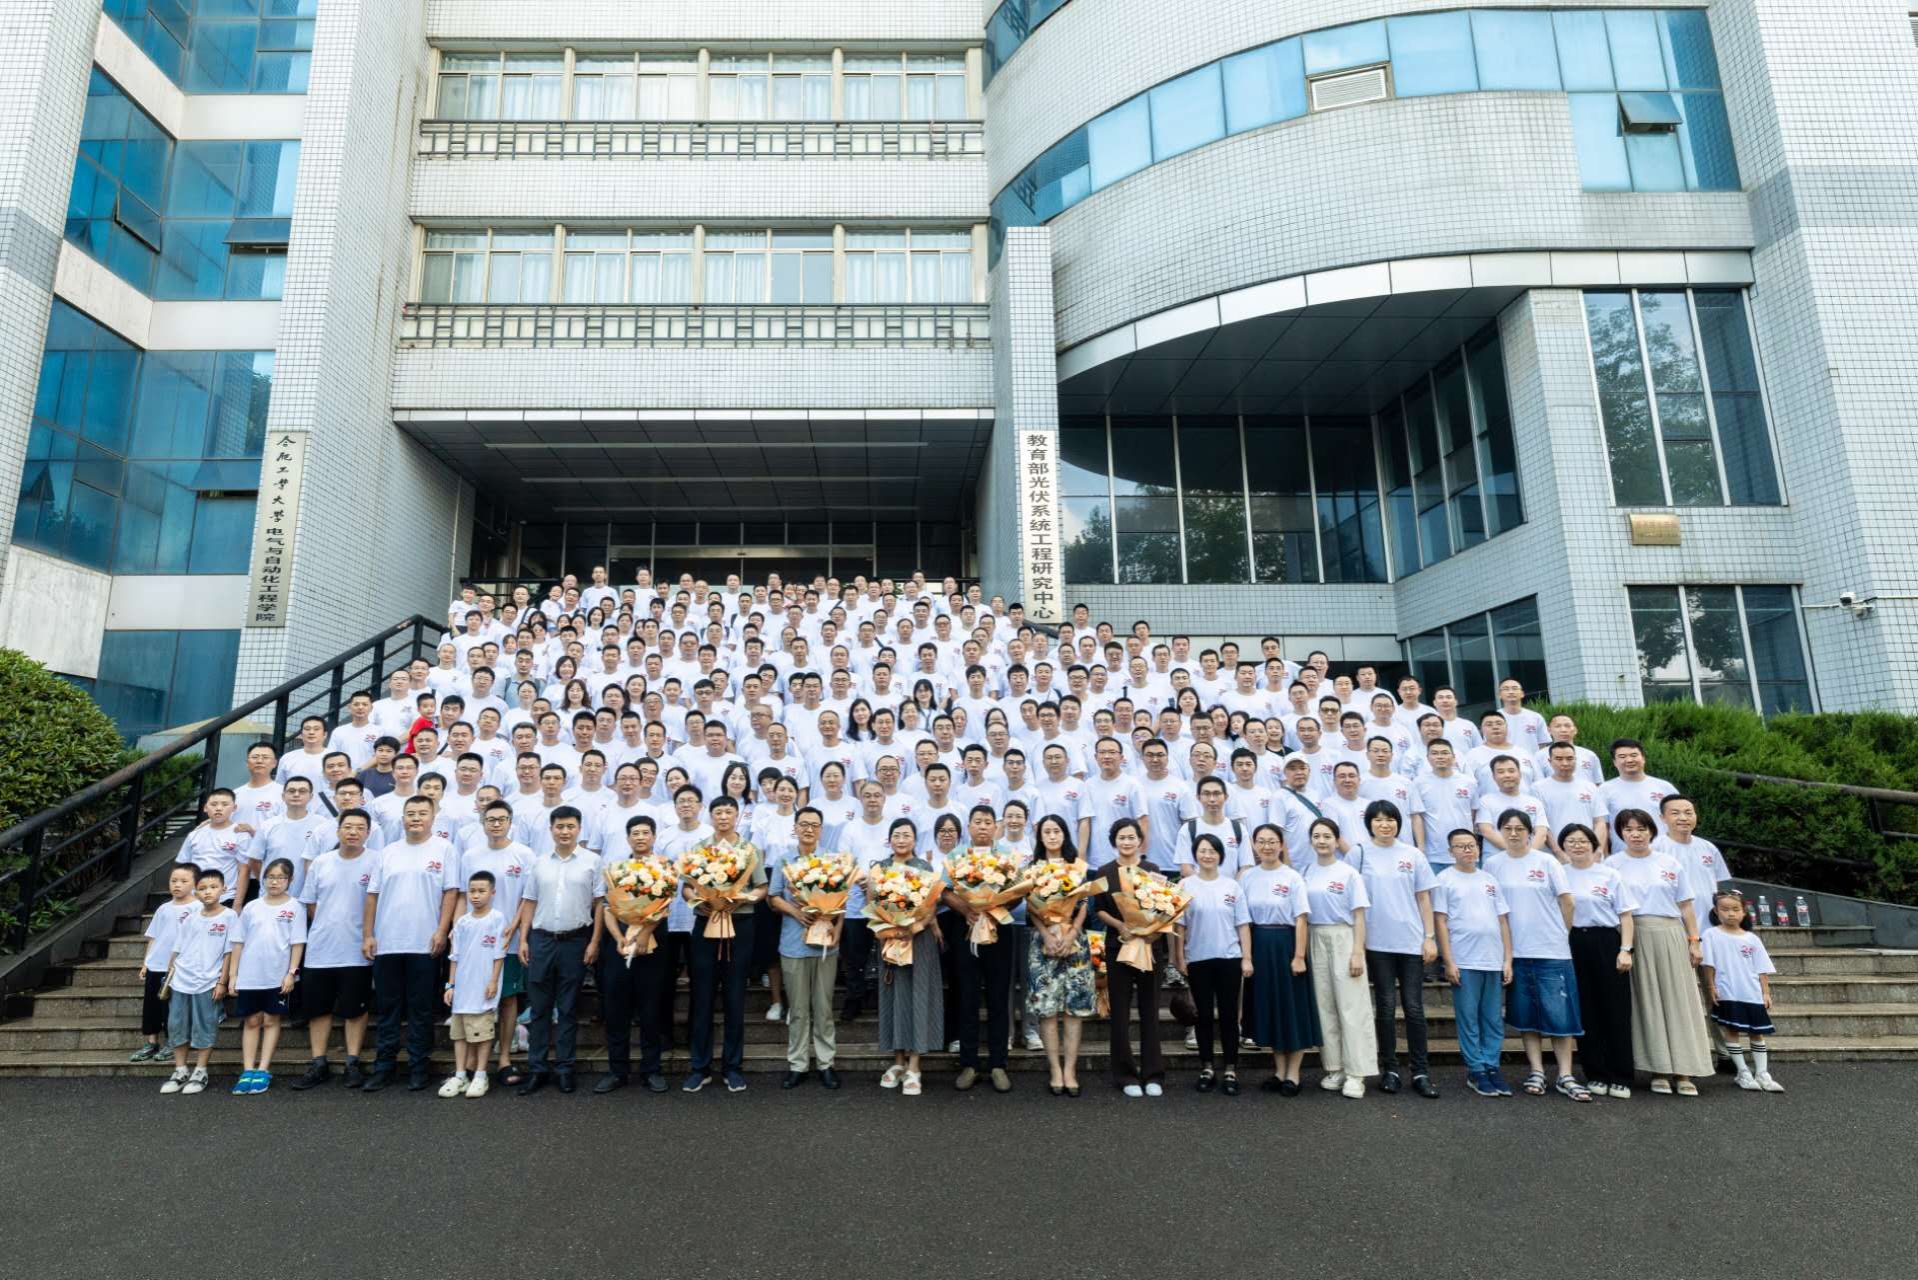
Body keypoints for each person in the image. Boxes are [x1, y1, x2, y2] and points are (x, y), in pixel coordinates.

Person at [1486, 809, 1591, 1102]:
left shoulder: (1546, 861)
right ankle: (1536, 1070)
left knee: (1560, 1017)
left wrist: (1560, 932)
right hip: (1515, 952)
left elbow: (1567, 902)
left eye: (1520, 828)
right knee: (1527, 1017)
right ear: (1500, 832)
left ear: (1531, 833)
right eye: (1508, 828)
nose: (1514, 833)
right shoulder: (1493, 864)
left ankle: (1565, 1074)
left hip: (1551, 950)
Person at [1606, 808, 1712, 1095]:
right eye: (1628, 829)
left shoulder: (1669, 863)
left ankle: (1685, 1071)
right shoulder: (1612, 865)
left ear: (1652, 831)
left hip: (1669, 933)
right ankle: (1659, 1069)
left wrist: (1694, 940)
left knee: (1679, 1001)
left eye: (1641, 828)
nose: (1635, 834)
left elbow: (1686, 906)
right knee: (1647, 1002)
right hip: (1633, 934)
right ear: (1620, 833)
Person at [361, 795, 461, 1092]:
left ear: (433, 817)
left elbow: (451, 893)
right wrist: (368, 934)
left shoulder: (445, 849)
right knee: (388, 1008)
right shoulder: (388, 852)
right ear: (402, 818)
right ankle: (384, 1067)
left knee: (421, 1008)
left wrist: (442, 930)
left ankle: (419, 1066)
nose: (416, 818)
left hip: (424, 942)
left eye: (422, 813)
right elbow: (372, 896)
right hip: (388, 942)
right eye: (410, 813)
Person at [1353, 800, 1440, 1098]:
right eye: (1378, 819)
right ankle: (1389, 1069)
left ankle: (1420, 1071)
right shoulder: (1359, 853)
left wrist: (1429, 936)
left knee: (1414, 1008)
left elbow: (1424, 899)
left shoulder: (1412, 854)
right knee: (1386, 1007)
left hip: (1411, 941)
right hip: (1377, 943)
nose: (1384, 824)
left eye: (1390, 819)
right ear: (1369, 824)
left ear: (1398, 823)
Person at [515, 805, 603, 1095]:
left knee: (567, 1008)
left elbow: (600, 904)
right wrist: (523, 939)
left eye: (570, 826)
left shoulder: (592, 861)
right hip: (541, 940)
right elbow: (529, 901)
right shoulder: (539, 862)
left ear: (579, 829)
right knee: (539, 1008)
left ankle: (565, 1068)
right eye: (559, 827)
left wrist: (594, 941)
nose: (565, 832)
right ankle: (537, 1069)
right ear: (551, 829)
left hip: (575, 941)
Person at [682, 795, 766, 1094]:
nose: (723, 817)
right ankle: (699, 1067)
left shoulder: (749, 849)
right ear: (711, 815)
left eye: (728, 812)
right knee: (702, 997)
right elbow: (687, 888)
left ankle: (732, 1067)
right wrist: (699, 901)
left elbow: (761, 887)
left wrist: (741, 899)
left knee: (734, 997)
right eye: (718, 812)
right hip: (706, 924)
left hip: (739, 924)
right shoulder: (699, 849)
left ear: (737, 815)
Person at [594, 815, 673, 1095]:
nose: (640, 837)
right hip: (619, 945)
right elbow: (607, 907)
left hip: (653, 944)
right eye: (635, 833)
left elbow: (664, 907)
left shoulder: (664, 867)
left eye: (645, 832)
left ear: (654, 837)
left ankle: (652, 1070)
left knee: (651, 1009)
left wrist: (644, 934)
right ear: (628, 839)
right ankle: (617, 1071)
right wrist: (618, 937)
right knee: (617, 1010)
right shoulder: (617, 869)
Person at [768, 806, 845, 1089]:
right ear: (795, 828)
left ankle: (826, 1063)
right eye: (804, 824)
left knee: (823, 1007)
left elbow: (842, 902)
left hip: (825, 944)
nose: (809, 829)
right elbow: (773, 897)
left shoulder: (833, 861)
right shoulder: (784, 860)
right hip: (793, 943)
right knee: (798, 1009)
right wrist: (795, 912)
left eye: (814, 825)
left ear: (821, 830)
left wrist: (838, 930)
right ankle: (798, 1064)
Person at [942, 811, 1018, 1094]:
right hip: (966, 929)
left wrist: (996, 908)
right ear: (969, 827)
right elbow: (945, 892)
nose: (983, 827)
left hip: (999, 929)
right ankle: (969, 1063)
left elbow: (1019, 891)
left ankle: (998, 1064)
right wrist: (967, 909)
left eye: (988, 822)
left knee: (998, 996)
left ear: (995, 827)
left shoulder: (1007, 855)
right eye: (978, 822)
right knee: (967, 995)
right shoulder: (957, 855)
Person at [1433, 829, 1512, 1097]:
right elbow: (1440, 922)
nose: (1468, 850)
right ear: (1450, 851)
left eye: (1471, 845)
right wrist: (1449, 961)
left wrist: (1508, 959)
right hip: (1465, 960)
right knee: (1468, 1018)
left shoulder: (1489, 879)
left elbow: (1503, 921)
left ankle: (1492, 1066)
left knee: (1492, 1018)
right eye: (1461, 846)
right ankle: (1476, 1069)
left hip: (1493, 959)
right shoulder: (1444, 880)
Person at [1562, 822, 1638, 1097]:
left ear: (1594, 845)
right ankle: (1595, 1073)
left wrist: (1625, 949)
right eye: (1571, 841)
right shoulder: (1559, 874)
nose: (1577, 845)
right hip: (1572, 942)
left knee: (1615, 1009)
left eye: (1583, 840)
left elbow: (1626, 916)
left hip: (1606, 941)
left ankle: (1621, 1075)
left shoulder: (1609, 874)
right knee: (1586, 1010)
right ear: (1563, 846)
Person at [1174, 832, 1253, 1096]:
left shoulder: (1232, 886)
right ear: (1195, 855)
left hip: (1229, 958)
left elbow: (1243, 925)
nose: (1207, 855)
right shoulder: (1185, 885)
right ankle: (1206, 1067)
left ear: (1221, 855)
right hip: (1198, 958)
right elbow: (1180, 926)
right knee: (1204, 1016)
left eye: (1212, 851)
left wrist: (1247, 958)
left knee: (1229, 1016)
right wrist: (1179, 957)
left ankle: (1231, 1069)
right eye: (1202, 851)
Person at [1241, 823, 1317, 1094]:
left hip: (1287, 944)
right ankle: (1279, 1071)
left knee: (1292, 1008)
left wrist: (1299, 955)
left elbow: (1301, 918)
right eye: (1261, 841)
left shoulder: (1292, 877)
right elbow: (1243, 919)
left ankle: (1293, 1074)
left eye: (1272, 841)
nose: (1267, 846)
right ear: (1254, 845)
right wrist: (1247, 955)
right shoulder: (1248, 877)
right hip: (1260, 945)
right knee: (1270, 1008)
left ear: (1282, 845)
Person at [1302, 817, 1374, 1098]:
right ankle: (1335, 1068)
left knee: (1351, 1007)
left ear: (1336, 840)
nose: (1321, 841)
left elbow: (1359, 916)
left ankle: (1357, 1073)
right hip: (1315, 937)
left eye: (1327, 836)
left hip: (1344, 937)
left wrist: (1358, 952)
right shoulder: (1305, 871)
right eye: (1316, 836)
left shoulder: (1348, 873)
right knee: (1325, 1006)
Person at [1093, 818, 1165, 1097]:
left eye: (1131, 837)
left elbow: (1164, 907)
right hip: (1118, 946)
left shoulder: (1152, 870)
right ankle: (1125, 1076)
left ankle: (1153, 1074)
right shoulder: (1104, 872)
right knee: (1120, 1013)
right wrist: (1120, 925)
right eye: (1121, 837)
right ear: (1114, 841)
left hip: (1148, 946)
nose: (1126, 842)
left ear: (1140, 841)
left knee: (1150, 1011)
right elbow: (1099, 908)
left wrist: (1151, 932)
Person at [1025, 813, 1095, 1097]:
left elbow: (1084, 902)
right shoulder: (1032, 868)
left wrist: (1071, 933)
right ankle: (1055, 1069)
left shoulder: (1077, 867)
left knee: (1074, 1008)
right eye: (1047, 832)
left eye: (1057, 831)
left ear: (1065, 834)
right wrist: (1045, 933)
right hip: (1043, 943)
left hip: (1074, 943)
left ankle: (1070, 1070)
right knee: (1047, 1008)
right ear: (1040, 837)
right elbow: (1031, 906)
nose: (1052, 836)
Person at [876, 818, 944, 1097]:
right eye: (896, 835)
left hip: (919, 940)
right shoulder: (880, 868)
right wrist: (890, 928)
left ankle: (915, 1064)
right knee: (894, 997)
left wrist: (915, 926)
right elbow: (873, 903)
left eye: (906, 835)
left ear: (915, 840)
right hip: (891, 940)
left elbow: (931, 905)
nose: (901, 839)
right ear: (889, 839)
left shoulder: (923, 868)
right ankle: (898, 1061)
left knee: (918, 996)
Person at [227, 858, 307, 1095]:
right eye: (270, 877)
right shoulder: (252, 907)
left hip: (277, 975)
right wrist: (233, 975)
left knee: (271, 1020)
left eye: (280, 877)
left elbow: (297, 943)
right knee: (252, 1021)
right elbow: (238, 942)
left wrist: (291, 973)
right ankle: (247, 1070)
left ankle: (263, 1069)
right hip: (250, 975)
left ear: (290, 880)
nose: (274, 882)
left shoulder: (295, 907)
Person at [158, 868, 237, 1096]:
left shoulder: (229, 916)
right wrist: (168, 976)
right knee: (176, 1025)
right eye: (202, 888)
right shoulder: (191, 918)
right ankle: (180, 1070)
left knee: (205, 1025)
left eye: (213, 887)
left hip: (208, 981)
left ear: (224, 889)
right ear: (196, 892)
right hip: (181, 979)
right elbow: (177, 949)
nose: (208, 892)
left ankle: (201, 1071)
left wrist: (222, 982)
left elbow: (229, 952)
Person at [1700, 891, 1785, 1092]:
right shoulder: (1711, 935)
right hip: (1728, 992)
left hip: (1752, 993)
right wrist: (1711, 987)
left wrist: (1765, 992)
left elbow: (1762, 968)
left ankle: (1762, 1073)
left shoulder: (1752, 938)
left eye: (1735, 909)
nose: (1731, 913)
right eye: (1725, 909)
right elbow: (1708, 965)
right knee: (1732, 1031)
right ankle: (1743, 1072)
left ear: (1744, 912)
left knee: (1757, 1033)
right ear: (1716, 911)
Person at [439, 869, 509, 1099]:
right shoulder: (462, 922)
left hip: (483, 987)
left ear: (492, 892)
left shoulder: (497, 919)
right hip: (462, 988)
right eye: (472, 891)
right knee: (459, 1034)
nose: (476, 896)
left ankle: (480, 1074)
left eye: (481, 891)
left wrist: (493, 981)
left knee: (482, 1032)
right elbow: (455, 956)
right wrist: (451, 985)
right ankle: (460, 1075)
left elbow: (499, 954)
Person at [132, 865, 198, 1063]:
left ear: (195, 884)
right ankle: (151, 1042)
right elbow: (153, 937)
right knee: (151, 1006)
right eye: (173, 881)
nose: (177, 885)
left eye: (184, 881)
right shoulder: (163, 908)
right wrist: (146, 963)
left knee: (172, 1007)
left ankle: (173, 1041)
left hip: (179, 967)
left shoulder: (197, 908)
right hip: (156, 965)